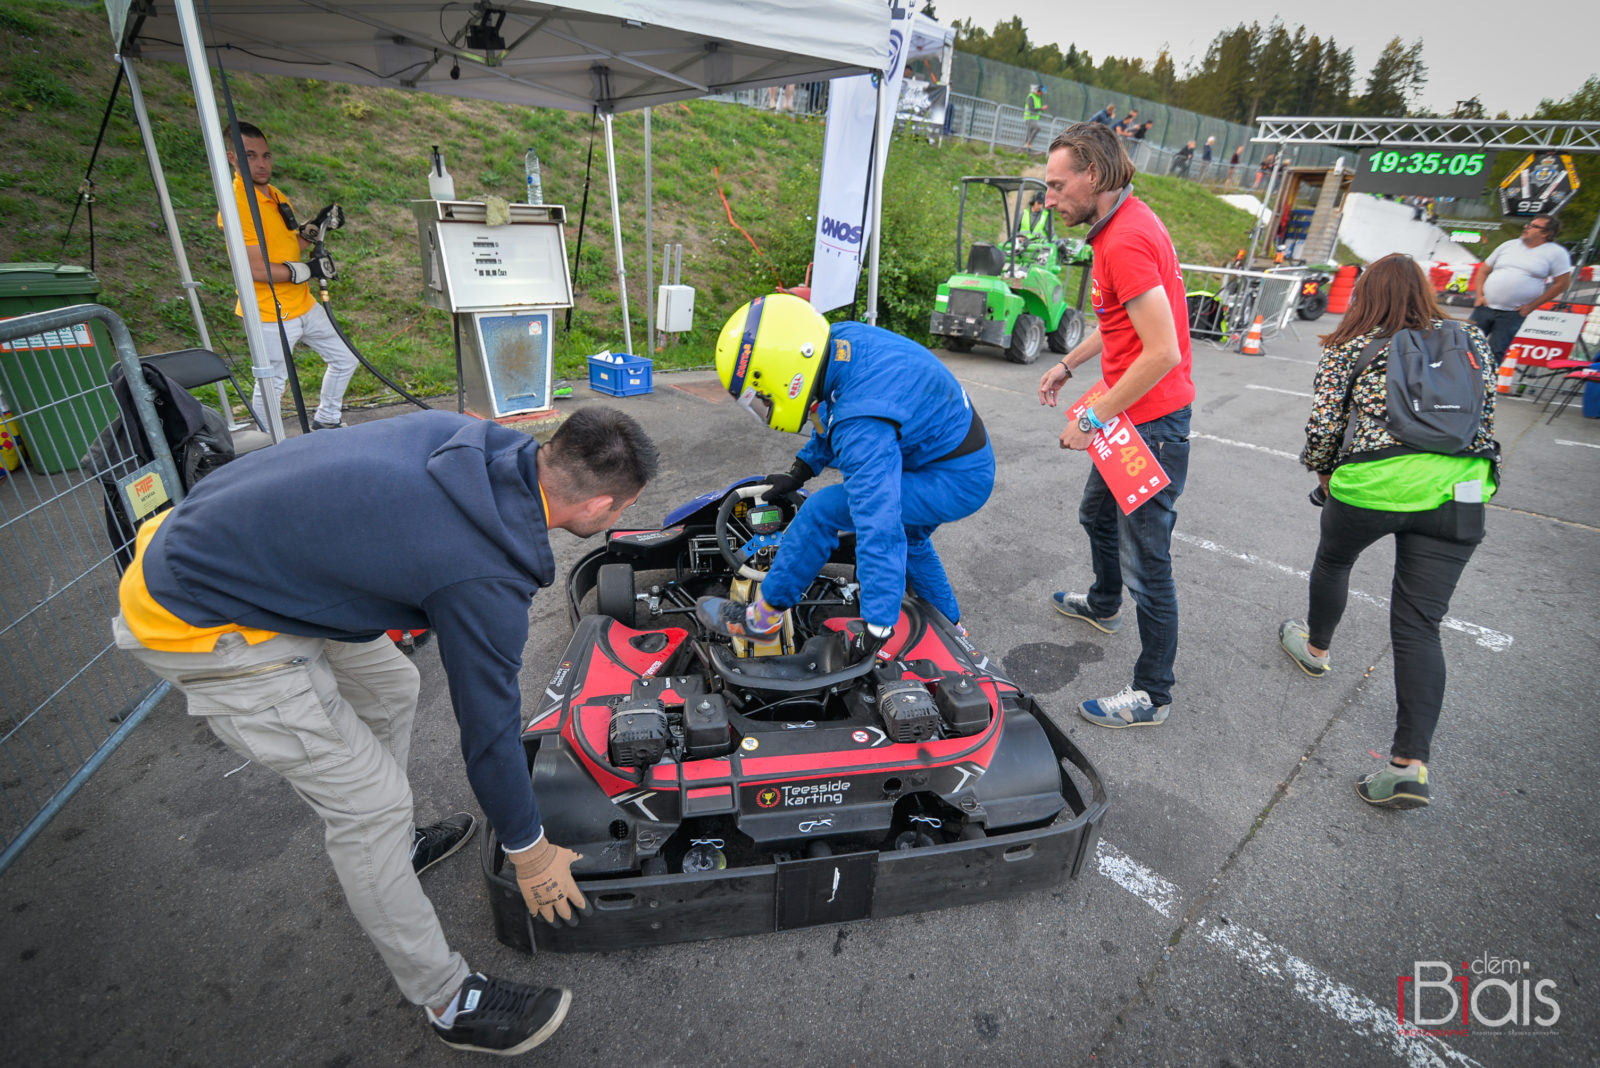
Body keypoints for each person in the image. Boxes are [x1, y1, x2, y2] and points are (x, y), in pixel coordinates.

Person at [111, 406, 659, 1054]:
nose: (615, 521)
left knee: (393, 684)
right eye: (619, 510)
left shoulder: (474, 443)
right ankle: (447, 999)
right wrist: (529, 850)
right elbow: (487, 734)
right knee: (370, 806)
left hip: (230, 542)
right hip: (198, 614)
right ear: (596, 505)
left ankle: (392, 853)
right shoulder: (482, 573)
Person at [1278, 254, 1499, 808]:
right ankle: (1408, 766)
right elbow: (1485, 414)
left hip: (1374, 482)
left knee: (1335, 561)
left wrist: (1326, 475)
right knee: (1421, 625)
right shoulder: (1471, 337)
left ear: (1365, 296)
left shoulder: (1352, 347)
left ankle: (1317, 648)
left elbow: (1324, 427)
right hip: (1461, 489)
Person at [695, 293, 995, 647]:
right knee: (911, 539)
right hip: (958, 456)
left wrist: (878, 623)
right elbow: (834, 409)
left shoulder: (861, 424)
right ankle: (953, 632)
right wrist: (802, 469)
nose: (765, 407)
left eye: (761, 397)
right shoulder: (838, 342)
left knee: (822, 511)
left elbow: (877, 519)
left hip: (954, 478)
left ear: (780, 375)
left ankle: (762, 621)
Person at [1036, 122, 1194, 728]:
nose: (1049, 199)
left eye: (1056, 185)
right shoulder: (1120, 229)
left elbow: (1162, 354)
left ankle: (1152, 693)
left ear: (1093, 175)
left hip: (1147, 425)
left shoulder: (1125, 239)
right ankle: (1103, 604)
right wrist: (1070, 364)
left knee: (1148, 566)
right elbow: (1124, 321)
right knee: (1096, 516)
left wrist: (1092, 417)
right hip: (1131, 418)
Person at [221, 122, 359, 432]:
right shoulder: (238, 206)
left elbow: (288, 246)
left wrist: (317, 226)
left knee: (345, 358)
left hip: (301, 303)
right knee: (272, 382)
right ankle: (266, 444)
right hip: (269, 311)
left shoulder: (273, 194)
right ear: (232, 158)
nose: (261, 164)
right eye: (251, 156)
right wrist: (310, 271)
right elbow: (257, 270)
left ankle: (327, 420)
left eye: (266, 155)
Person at [1469, 215, 1572, 357]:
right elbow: (1483, 271)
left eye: (1534, 226)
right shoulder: (1509, 245)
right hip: (1485, 307)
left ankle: (1486, 379)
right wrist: (1479, 296)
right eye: (1528, 224)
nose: (1527, 227)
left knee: (1496, 351)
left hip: (1513, 312)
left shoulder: (1556, 253)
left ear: (1546, 233)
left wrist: (1531, 306)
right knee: (1467, 345)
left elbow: (1562, 283)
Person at [1022, 84, 1049, 151]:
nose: (1041, 94)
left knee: (1029, 134)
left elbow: (1037, 108)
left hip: (1034, 118)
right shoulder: (1031, 97)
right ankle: (1028, 143)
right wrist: (1041, 108)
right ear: (1038, 91)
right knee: (1037, 128)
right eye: (1041, 93)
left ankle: (1026, 150)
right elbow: (1031, 109)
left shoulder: (1038, 98)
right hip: (1029, 118)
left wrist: (1041, 109)